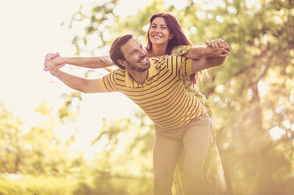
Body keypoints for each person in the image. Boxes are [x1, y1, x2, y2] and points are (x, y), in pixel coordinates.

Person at [44, 13, 228, 194]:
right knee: (161, 183)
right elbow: (86, 84)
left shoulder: (170, 62)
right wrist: (57, 70)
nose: (141, 53)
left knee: (193, 173)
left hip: (194, 121)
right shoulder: (120, 77)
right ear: (122, 63)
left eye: (140, 47)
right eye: (153, 26)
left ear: (170, 34)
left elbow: (207, 58)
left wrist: (217, 50)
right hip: (166, 131)